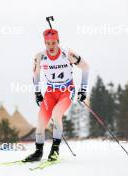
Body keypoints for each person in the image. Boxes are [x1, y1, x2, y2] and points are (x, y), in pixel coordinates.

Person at [23, 27, 89, 162]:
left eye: (53, 43)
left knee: (56, 114)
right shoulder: (40, 57)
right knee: (41, 122)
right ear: (44, 43)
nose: (51, 46)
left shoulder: (67, 54)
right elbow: (36, 75)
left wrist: (83, 89)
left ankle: (55, 150)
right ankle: (38, 152)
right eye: (48, 43)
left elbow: (85, 67)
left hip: (66, 90)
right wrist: (38, 93)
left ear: (58, 41)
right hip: (50, 92)